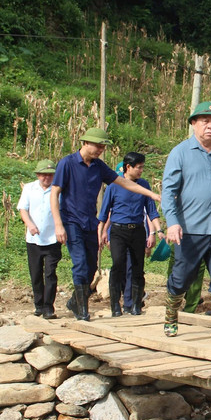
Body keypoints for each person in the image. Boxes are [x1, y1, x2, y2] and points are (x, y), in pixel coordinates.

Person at [51, 128, 161, 322]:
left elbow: (123, 182)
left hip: (90, 221)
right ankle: (82, 311)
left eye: (103, 147)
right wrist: (58, 224)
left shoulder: (98, 167)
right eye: (98, 146)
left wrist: (151, 194)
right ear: (85, 143)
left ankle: (75, 301)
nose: (101, 149)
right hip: (71, 220)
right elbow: (54, 193)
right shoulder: (66, 164)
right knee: (80, 263)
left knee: (92, 266)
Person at [161, 101, 211, 341]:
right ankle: (170, 316)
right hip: (190, 230)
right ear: (194, 124)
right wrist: (172, 222)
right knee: (182, 277)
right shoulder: (180, 153)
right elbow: (169, 191)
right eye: (205, 121)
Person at [97, 152, 163, 317]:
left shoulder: (144, 185)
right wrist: (101, 233)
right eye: (138, 167)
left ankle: (135, 305)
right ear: (128, 167)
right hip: (119, 231)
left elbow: (151, 211)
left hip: (138, 231)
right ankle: (115, 306)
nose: (141, 170)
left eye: (142, 167)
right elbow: (104, 214)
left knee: (137, 268)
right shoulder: (114, 186)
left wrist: (158, 230)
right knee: (118, 265)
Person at [17, 159, 61, 319]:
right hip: (34, 239)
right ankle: (39, 305)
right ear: (37, 175)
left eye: (50, 175)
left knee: (50, 273)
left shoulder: (58, 190)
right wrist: (30, 224)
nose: (46, 178)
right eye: (43, 175)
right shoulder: (29, 188)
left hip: (52, 238)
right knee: (35, 273)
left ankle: (49, 307)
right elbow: (23, 208)